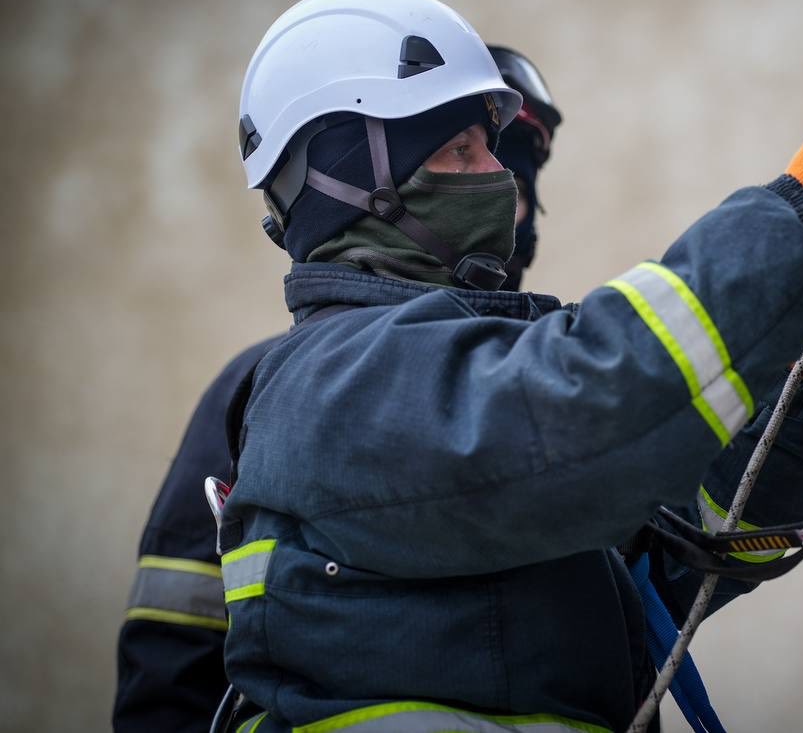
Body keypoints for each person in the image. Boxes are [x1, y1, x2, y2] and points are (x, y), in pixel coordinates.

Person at [219, 0, 803, 732]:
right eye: (464, 147)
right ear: (359, 176)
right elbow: (592, 416)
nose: (500, 177)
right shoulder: (337, 383)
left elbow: (686, 558)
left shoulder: (454, 378)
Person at [113, 43, 566, 733]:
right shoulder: (267, 387)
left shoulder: (552, 378)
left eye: (517, 183)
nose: (504, 199)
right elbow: (174, 643)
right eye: (462, 159)